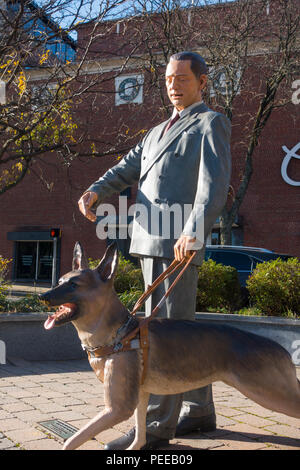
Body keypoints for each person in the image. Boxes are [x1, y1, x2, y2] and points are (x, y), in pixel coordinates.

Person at [78, 51, 232, 450]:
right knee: (179, 332)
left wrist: (194, 230)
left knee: (166, 338)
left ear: (202, 82)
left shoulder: (211, 123)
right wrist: (98, 189)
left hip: (178, 243)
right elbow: (127, 168)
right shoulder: (155, 132)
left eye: (182, 78)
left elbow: (212, 186)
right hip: (147, 239)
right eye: (167, 79)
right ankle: (198, 410)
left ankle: (158, 428)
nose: (173, 86)